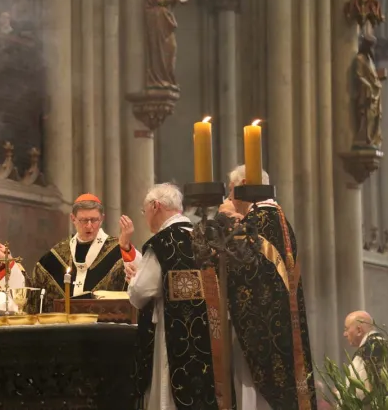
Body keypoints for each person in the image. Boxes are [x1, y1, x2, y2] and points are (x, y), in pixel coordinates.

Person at [219, 165, 316, 409]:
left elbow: (234, 271)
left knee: (253, 397)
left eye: (231, 191)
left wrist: (224, 227)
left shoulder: (256, 222)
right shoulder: (278, 218)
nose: (229, 199)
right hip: (281, 326)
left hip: (260, 332)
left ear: (244, 184)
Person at [127, 183, 226, 410]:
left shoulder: (162, 243)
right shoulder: (203, 238)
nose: (145, 217)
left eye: (145, 211)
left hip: (170, 336)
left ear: (155, 206)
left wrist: (133, 278)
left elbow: (140, 294)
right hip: (205, 336)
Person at [32, 194, 137, 313]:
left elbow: (138, 281)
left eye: (94, 220)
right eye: (83, 220)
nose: (89, 226)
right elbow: (34, 294)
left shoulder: (118, 250)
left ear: (102, 218)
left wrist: (126, 247)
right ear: (73, 218)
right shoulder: (56, 255)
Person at [341, 310, 388, 399]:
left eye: (346, 329)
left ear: (359, 330)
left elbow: (357, 393)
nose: (344, 334)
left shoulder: (365, 352)